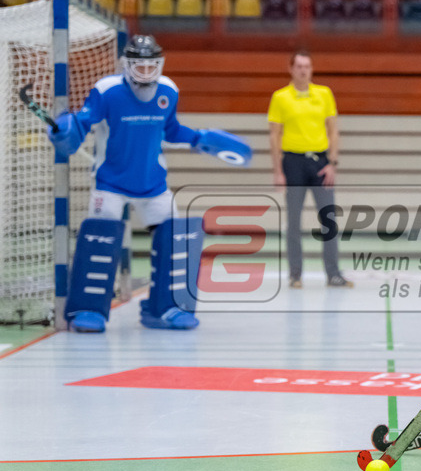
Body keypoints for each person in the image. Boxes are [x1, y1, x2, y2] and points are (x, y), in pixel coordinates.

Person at [48, 35, 252, 333]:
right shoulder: (107, 91)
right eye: (139, 66)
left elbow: (170, 129)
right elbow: (84, 121)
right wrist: (66, 128)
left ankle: (167, 309)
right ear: (127, 65)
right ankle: (88, 310)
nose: (146, 72)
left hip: (153, 183)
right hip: (110, 182)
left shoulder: (169, 90)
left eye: (151, 66)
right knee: (100, 240)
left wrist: (200, 140)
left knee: (175, 238)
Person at [268, 51, 351, 289]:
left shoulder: (324, 94)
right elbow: (274, 135)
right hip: (292, 163)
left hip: (320, 163)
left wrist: (332, 164)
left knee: (329, 220)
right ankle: (295, 275)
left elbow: (333, 130)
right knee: (293, 222)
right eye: (299, 66)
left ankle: (333, 274)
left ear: (312, 69)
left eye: (307, 66)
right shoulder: (280, 97)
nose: (303, 70)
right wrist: (278, 171)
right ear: (291, 69)